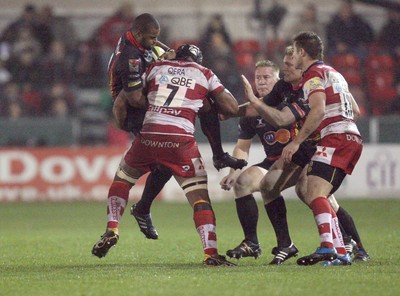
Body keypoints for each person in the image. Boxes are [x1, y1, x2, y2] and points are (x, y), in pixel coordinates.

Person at [90, 13, 245, 252]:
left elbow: (121, 100)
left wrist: (129, 119)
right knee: (199, 195)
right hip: (177, 137)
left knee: (124, 178)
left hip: (149, 130)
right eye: (152, 38)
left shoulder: (154, 65)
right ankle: (211, 253)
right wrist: (190, 102)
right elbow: (232, 108)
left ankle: (113, 227)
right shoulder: (203, 72)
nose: (156, 42)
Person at [241, 45, 369, 264]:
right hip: (304, 146)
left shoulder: (310, 86)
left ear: (302, 67)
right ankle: (290, 245)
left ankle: (349, 246)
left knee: (317, 196)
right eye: (285, 63)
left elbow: (281, 118)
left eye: (290, 65)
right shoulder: (285, 87)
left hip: (314, 144)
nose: (286, 68)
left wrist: (327, 124)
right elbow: (353, 110)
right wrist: (223, 110)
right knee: (275, 188)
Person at [280, 31, 363, 266]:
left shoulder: (313, 75)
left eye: (294, 51)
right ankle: (341, 253)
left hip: (336, 138)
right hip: (350, 137)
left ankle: (328, 247)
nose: (293, 56)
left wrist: (296, 142)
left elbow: (317, 110)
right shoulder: (334, 73)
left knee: (314, 192)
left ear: (303, 53)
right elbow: (355, 110)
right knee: (317, 194)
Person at [219, 59, 281, 261]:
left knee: (316, 195)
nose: (261, 82)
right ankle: (251, 242)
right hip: (273, 161)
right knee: (243, 182)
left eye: (266, 77)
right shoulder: (251, 111)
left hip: (300, 159)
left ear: (277, 79)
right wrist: (233, 171)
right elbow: (242, 146)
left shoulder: (288, 100)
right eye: (258, 78)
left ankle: (350, 240)